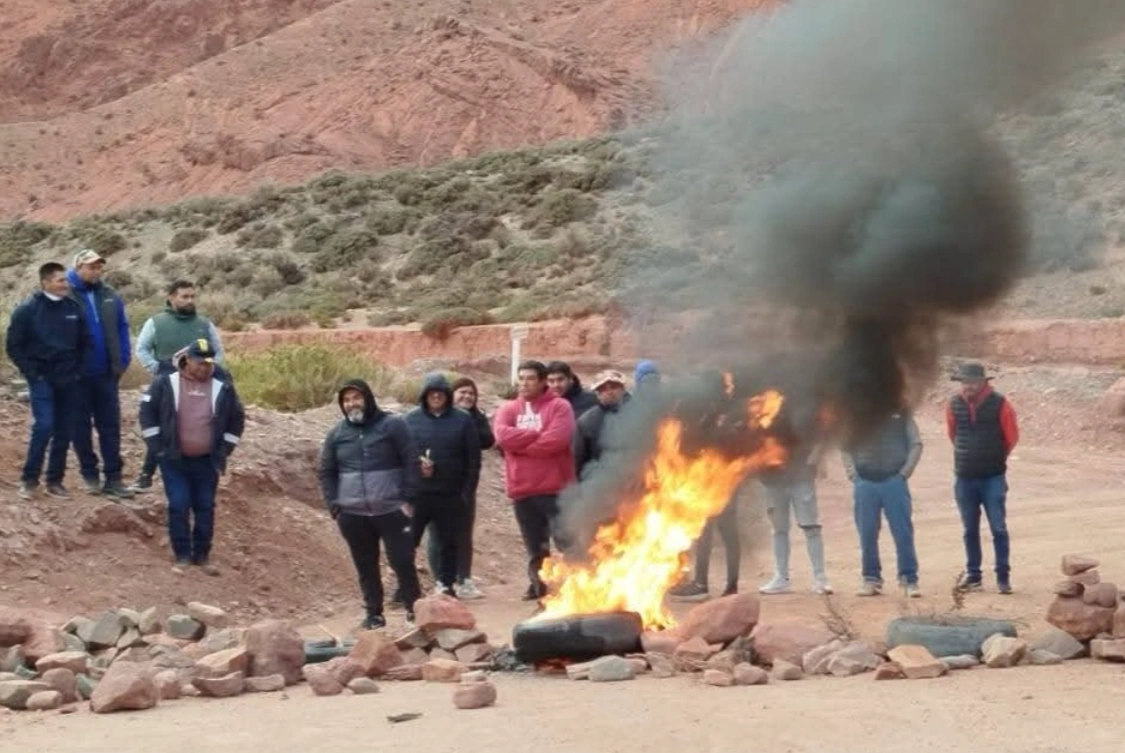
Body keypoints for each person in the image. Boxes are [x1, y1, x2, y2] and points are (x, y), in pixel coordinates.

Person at [319, 379, 422, 629]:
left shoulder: (393, 426)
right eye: (346, 400)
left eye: (357, 398)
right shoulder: (337, 434)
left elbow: (411, 461)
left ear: (368, 398)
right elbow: (326, 470)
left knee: (401, 560)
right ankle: (374, 614)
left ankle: (415, 609)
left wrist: (408, 499)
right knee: (365, 565)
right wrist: (334, 504)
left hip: (392, 510)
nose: (352, 404)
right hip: (353, 514)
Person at [138, 339, 244, 575]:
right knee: (179, 504)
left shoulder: (222, 385)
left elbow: (237, 418)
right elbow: (147, 413)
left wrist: (225, 448)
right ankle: (182, 555)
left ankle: (202, 556)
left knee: (205, 506)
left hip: (207, 461)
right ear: (187, 360)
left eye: (209, 363)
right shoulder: (166, 383)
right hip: (174, 459)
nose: (205, 368)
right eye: (199, 363)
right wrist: (158, 448)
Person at [131, 279, 225, 492]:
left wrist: (210, 370)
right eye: (184, 296)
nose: (189, 300)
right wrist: (156, 368)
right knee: (165, 426)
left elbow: (218, 351)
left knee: (200, 426)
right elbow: (142, 349)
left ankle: (204, 477)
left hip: (200, 382)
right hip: (167, 378)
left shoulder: (204, 324)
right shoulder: (156, 323)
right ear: (172, 297)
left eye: (192, 296)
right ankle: (146, 475)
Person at [494, 360, 576, 601]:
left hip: (556, 488)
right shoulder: (508, 409)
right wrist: (535, 436)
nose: (524, 383)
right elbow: (501, 436)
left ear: (542, 382)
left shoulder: (560, 407)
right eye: (521, 378)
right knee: (534, 546)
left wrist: (519, 446)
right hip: (523, 489)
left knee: (568, 542)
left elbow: (557, 441)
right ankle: (538, 586)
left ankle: (577, 585)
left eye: (530, 378)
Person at [6, 262, 87, 500]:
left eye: (66, 280)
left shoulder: (73, 308)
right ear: (46, 282)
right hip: (41, 378)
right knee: (44, 426)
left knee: (64, 430)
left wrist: (78, 371)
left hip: (69, 378)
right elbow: (14, 345)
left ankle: (55, 481)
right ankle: (29, 479)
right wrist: (32, 372)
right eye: (61, 280)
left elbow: (85, 343)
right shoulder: (27, 310)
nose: (66, 284)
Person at [403, 373, 481, 598]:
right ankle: (406, 588)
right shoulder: (410, 419)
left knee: (449, 543)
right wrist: (416, 468)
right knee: (407, 542)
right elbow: (401, 455)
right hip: (418, 494)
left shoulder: (463, 420)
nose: (436, 396)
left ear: (447, 395)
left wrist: (466, 492)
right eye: (431, 392)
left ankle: (446, 585)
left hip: (451, 495)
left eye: (440, 392)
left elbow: (473, 460)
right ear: (424, 395)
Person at [66, 248, 134, 499]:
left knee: (110, 427)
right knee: (79, 428)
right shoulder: (64, 295)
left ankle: (114, 479)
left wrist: (123, 360)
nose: (97, 271)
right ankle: (89, 474)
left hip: (106, 375)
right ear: (78, 267)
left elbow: (122, 329)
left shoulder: (109, 295)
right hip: (76, 378)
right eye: (92, 267)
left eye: (99, 267)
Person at [946, 362, 1019, 595]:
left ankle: (1003, 577)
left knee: (998, 528)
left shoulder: (1001, 404)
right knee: (969, 530)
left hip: (992, 477)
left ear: (983, 383)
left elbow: (1011, 437)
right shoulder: (953, 404)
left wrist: (994, 458)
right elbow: (953, 434)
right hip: (965, 477)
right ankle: (974, 576)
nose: (968, 387)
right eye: (964, 382)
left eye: (972, 382)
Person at [423, 376, 495, 600]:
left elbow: (488, 441)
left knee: (463, 535)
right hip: (433, 487)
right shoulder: (431, 419)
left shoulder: (474, 419)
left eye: (471, 394)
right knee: (437, 536)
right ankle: (441, 582)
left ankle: (464, 580)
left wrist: (472, 419)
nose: (467, 397)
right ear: (450, 395)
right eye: (462, 392)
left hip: (463, 487)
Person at [841, 406, 924, 598]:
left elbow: (916, 443)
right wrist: (853, 474)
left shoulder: (901, 412)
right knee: (867, 533)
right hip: (865, 483)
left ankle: (909, 579)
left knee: (903, 532)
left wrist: (905, 473)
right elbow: (845, 446)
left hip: (893, 482)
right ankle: (871, 579)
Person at [758, 442, 833, 595]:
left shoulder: (801, 417)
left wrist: (814, 460)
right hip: (773, 480)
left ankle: (820, 578)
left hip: (801, 477)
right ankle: (781, 578)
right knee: (779, 529)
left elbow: (819, 434)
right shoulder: (762, 419)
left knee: (811, 527)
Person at [572, 370, 631, 481]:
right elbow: (579, 459)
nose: (609, 392)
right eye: (603, 389)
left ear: (623, 388)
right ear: (597, 393)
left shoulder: (642, 412)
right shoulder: (587, 421)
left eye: (614, 387)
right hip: (602, 485)